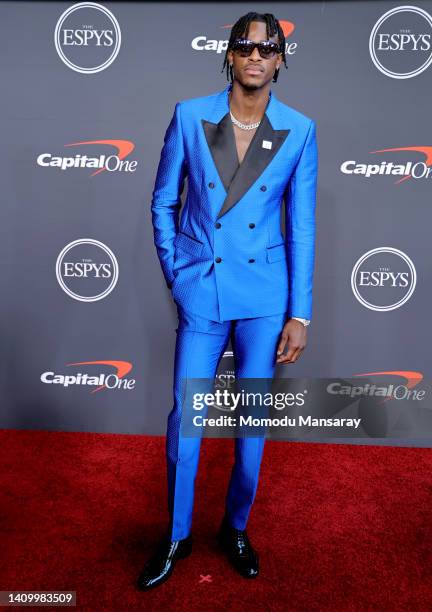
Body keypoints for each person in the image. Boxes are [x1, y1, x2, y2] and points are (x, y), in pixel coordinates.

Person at [137, 11, 318, 590]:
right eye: (245, 46)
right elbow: (164, 201)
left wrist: (300, 310)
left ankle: (235, 528)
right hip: (204, 294)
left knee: (252, 428)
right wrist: (179, 274)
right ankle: (175, 535)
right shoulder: (191, 116)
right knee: (185, 423)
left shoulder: (301, 129)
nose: (256, 56)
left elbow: (303, 226)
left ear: (280, 60)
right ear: (230, 55)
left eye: (268, 48)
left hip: (265, 298)